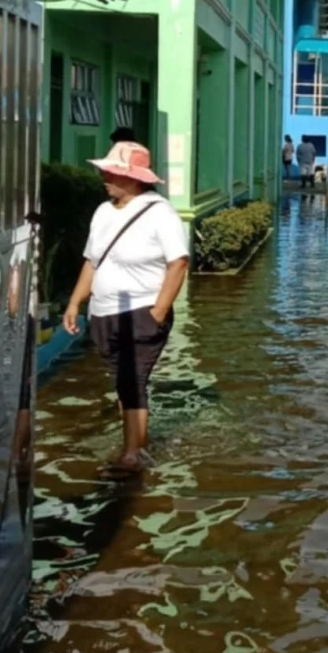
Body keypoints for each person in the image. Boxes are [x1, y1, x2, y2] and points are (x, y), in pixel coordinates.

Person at [63, 141, 189, 477]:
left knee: (132, 381)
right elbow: (92, 262)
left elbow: (179, 263)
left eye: (113, 172)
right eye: (105, 170)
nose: (104, 176)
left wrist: (158, 312)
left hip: (142, 311)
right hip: (105, 313)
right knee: (123, 382)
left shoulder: (159, 212)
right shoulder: (103, 212)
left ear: (134, 178)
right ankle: (135, 446)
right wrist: (76, 302)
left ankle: (133, 455)